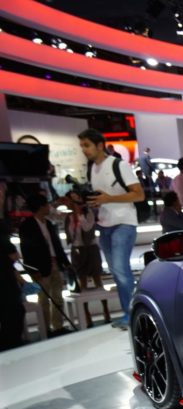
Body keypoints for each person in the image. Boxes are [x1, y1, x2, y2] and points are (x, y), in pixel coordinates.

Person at [78, 128, 144, 330]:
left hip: (124, 222)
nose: (84, 150)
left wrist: (109, 198)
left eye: (87, 145)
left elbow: (139, 194)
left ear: (99, 145)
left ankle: (133, 314)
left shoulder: (119, 165)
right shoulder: (92, 168)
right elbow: (103, 196)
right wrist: (94, 201)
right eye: (82, 146)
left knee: (121, 271)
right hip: (104, 224)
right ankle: (130, 313)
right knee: (117, 272)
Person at [19, 193, 71, 336]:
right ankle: (46, 328)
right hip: (40, 267)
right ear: (41, 207)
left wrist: (65, 262)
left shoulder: (48, 223)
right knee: (43, 299)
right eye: (47, 205)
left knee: (58, 296)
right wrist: (32, 270)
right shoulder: (27, 226)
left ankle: (58, 326)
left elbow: (57, 245)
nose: (49, 207)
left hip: (54, 263)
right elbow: (26, 250)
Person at [62, 191, 110, 326]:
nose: (73, 202)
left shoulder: (88, 213)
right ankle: (86, 317)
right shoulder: (68, 217)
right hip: (77, 250)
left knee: (97, 279)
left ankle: (106, 312)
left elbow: (87, 227)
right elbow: (71, 235)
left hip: (90, 248)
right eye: (71, 200)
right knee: (81, 283)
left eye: (75, 199)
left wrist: (80, 215)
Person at [0, 218, 24, 350]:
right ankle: (13, 342)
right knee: (14, 312)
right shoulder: (4, 240)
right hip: (6, 281)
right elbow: (14, 256)